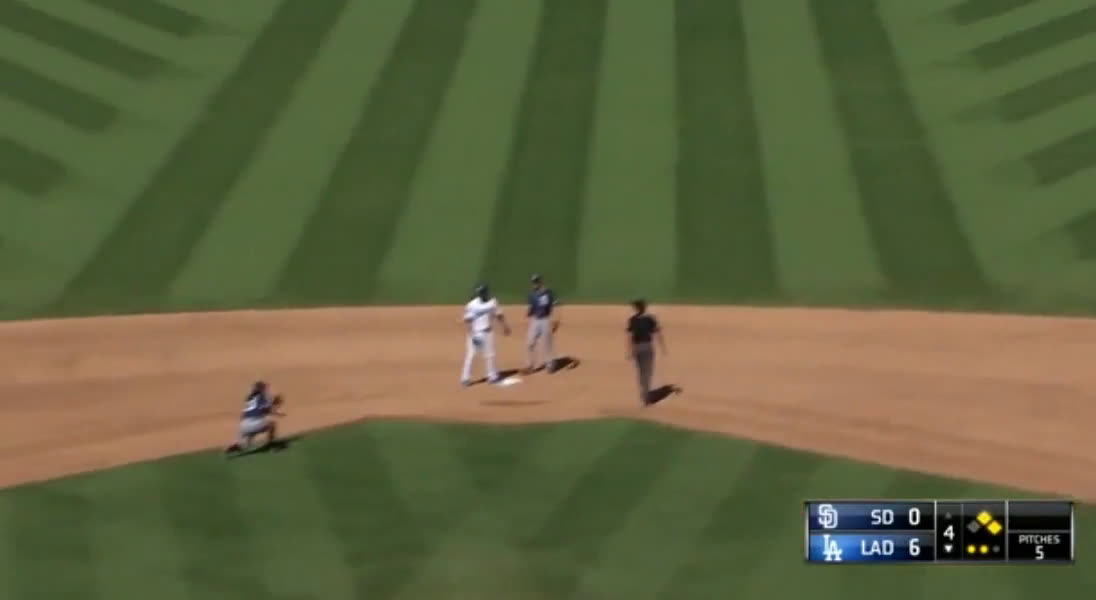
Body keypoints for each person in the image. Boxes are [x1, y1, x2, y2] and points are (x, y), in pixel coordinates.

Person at [461, 283, 511, 386]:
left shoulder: (493, 302)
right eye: (480, 293)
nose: (481, 294)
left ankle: (492, 376)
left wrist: (505, 326)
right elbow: (467, 319)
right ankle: (465, 378)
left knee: (490, 355)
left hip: (488, 332)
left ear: (486, 292)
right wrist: (471, 333)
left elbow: (499, 315)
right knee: (471, 355)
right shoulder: (472, 304)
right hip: (476, 333)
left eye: (483, 292)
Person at [626, 299, 666, 405]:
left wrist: (630, 350)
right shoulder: (650, 319)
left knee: (641, 373)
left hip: (637, 347)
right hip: (648, 347)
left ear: (636, 308)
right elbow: (658, 333)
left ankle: (644, 396)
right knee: (647, 372)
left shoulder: (632, 320)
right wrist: (662, 347)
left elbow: (630, 336)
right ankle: (646, 397)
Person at [225, 380, 281, 454]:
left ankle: (239, 445)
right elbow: (266, 410)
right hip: (253, 424)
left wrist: (273, 412)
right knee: (272, 424)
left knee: (246, 443)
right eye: (264, 387)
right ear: (261, 389)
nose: (265, 389)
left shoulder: (249, 398)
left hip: (242, 426)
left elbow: (257, 411)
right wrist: (274, 403)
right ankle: (271, 446)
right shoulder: (262, 397)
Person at [525, 274, 560, 374]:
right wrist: (529, 312)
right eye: (533, 282)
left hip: (545, 320)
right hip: (535, 321)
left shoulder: (548, 293)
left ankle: (550, 365)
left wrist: (555, 320)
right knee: (530, 343)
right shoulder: (531, 295)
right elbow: (530, 309)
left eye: (536, 282)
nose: (534, 284)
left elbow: (555, 306)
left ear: (540, 282)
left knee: (547, 343)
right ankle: (530, 365)